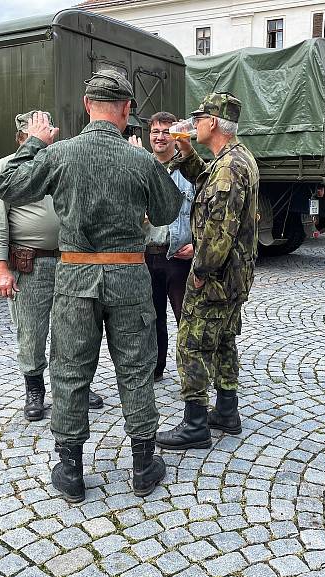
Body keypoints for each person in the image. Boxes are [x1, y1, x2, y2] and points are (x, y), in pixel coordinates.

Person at [0, 70, 184, 502]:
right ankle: (142, 465)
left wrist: (35, 140)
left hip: (75, 276)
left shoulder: (61, 153)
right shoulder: (140, 160)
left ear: (86, 106)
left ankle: (71, 469)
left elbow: (9, 184)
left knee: (70, 370)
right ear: (126, 110)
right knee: (136, 369)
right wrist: (163, 161)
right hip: (129, 276)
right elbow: (167, 212)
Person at [0, 111, 104, 422]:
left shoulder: (58, 162)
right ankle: (35, 391)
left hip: (70, 260)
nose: (48, 139)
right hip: (30, 264)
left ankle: (74, 387)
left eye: (48, 134)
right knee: (32, 332)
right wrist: (0, 269)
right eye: (38, 135)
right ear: (24, 138)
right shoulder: (6, 168)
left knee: (74, 329)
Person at [155, 92, 259, 451]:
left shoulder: (229, 168)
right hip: (235, 276)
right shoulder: (235, 158)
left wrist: (199, 270)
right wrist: (186, 153)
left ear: (213, 123)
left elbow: (219, 230)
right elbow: (208, 184)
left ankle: (195, 423)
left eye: (198, 119)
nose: (192, 124)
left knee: (191, 343)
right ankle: (227, 411)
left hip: (216, 277)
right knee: (224, 339)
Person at [138, 112, 195, 382]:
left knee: (186, 319)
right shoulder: (140, 167)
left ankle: (191, 375)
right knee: (152, 320)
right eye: (155, 131)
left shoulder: (188, 170)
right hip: (148, 256)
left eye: (165, 131)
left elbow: (203, 213)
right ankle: (156, 369)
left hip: (178, 257)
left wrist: (197, 243)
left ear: (175, 136)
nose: (160, 137)